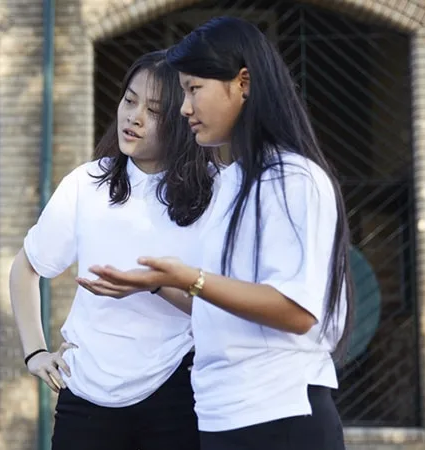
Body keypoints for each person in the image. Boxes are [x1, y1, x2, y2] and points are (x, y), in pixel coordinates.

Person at [89, 17, 354, 450]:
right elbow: (221, 307)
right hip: (220, 416)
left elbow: (296, 309)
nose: (184, 108)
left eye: (194, 89)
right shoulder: (229, 182)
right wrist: (155, 285)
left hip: (280, 414)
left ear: (242, 83)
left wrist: (188, 277)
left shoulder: (292, 178)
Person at [9, 50, 211, 450]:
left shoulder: (212, 193)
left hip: (175, 390)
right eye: (129, 100)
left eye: (153, 110)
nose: (133, 117)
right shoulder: (87, 184)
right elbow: (25, 268)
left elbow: (221, 304)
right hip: (86, 395)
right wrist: (35, 352)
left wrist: (155, 285)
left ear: (182, 118)